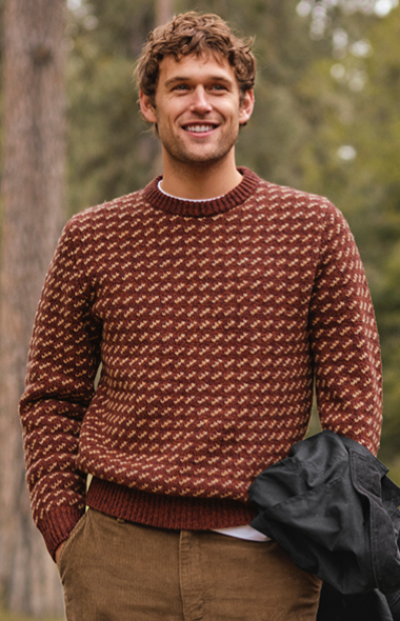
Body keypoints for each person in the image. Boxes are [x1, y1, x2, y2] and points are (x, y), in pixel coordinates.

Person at [19, 11, 382, 621]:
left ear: (245, 105)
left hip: (269, 560)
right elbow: (52, 394)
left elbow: (355, 403)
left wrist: (323, 528)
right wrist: (65, 529)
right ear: (147, 105)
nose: (200, 103)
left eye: (217, 86)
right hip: (116, 560)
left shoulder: (314, 228)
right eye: (180, 87)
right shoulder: (92, 236)